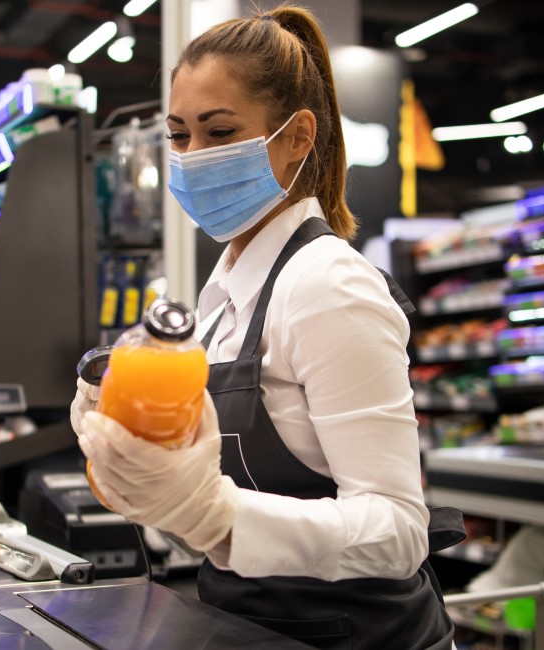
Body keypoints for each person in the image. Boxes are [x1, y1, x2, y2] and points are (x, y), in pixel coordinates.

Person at [72, 5, 462, 648]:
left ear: (297, 137)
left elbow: (398, 531)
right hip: (242, 626)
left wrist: (218, 517)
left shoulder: (328, 286)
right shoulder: (223, 291)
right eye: (178, 136)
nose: (192, 157)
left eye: (219, 132)